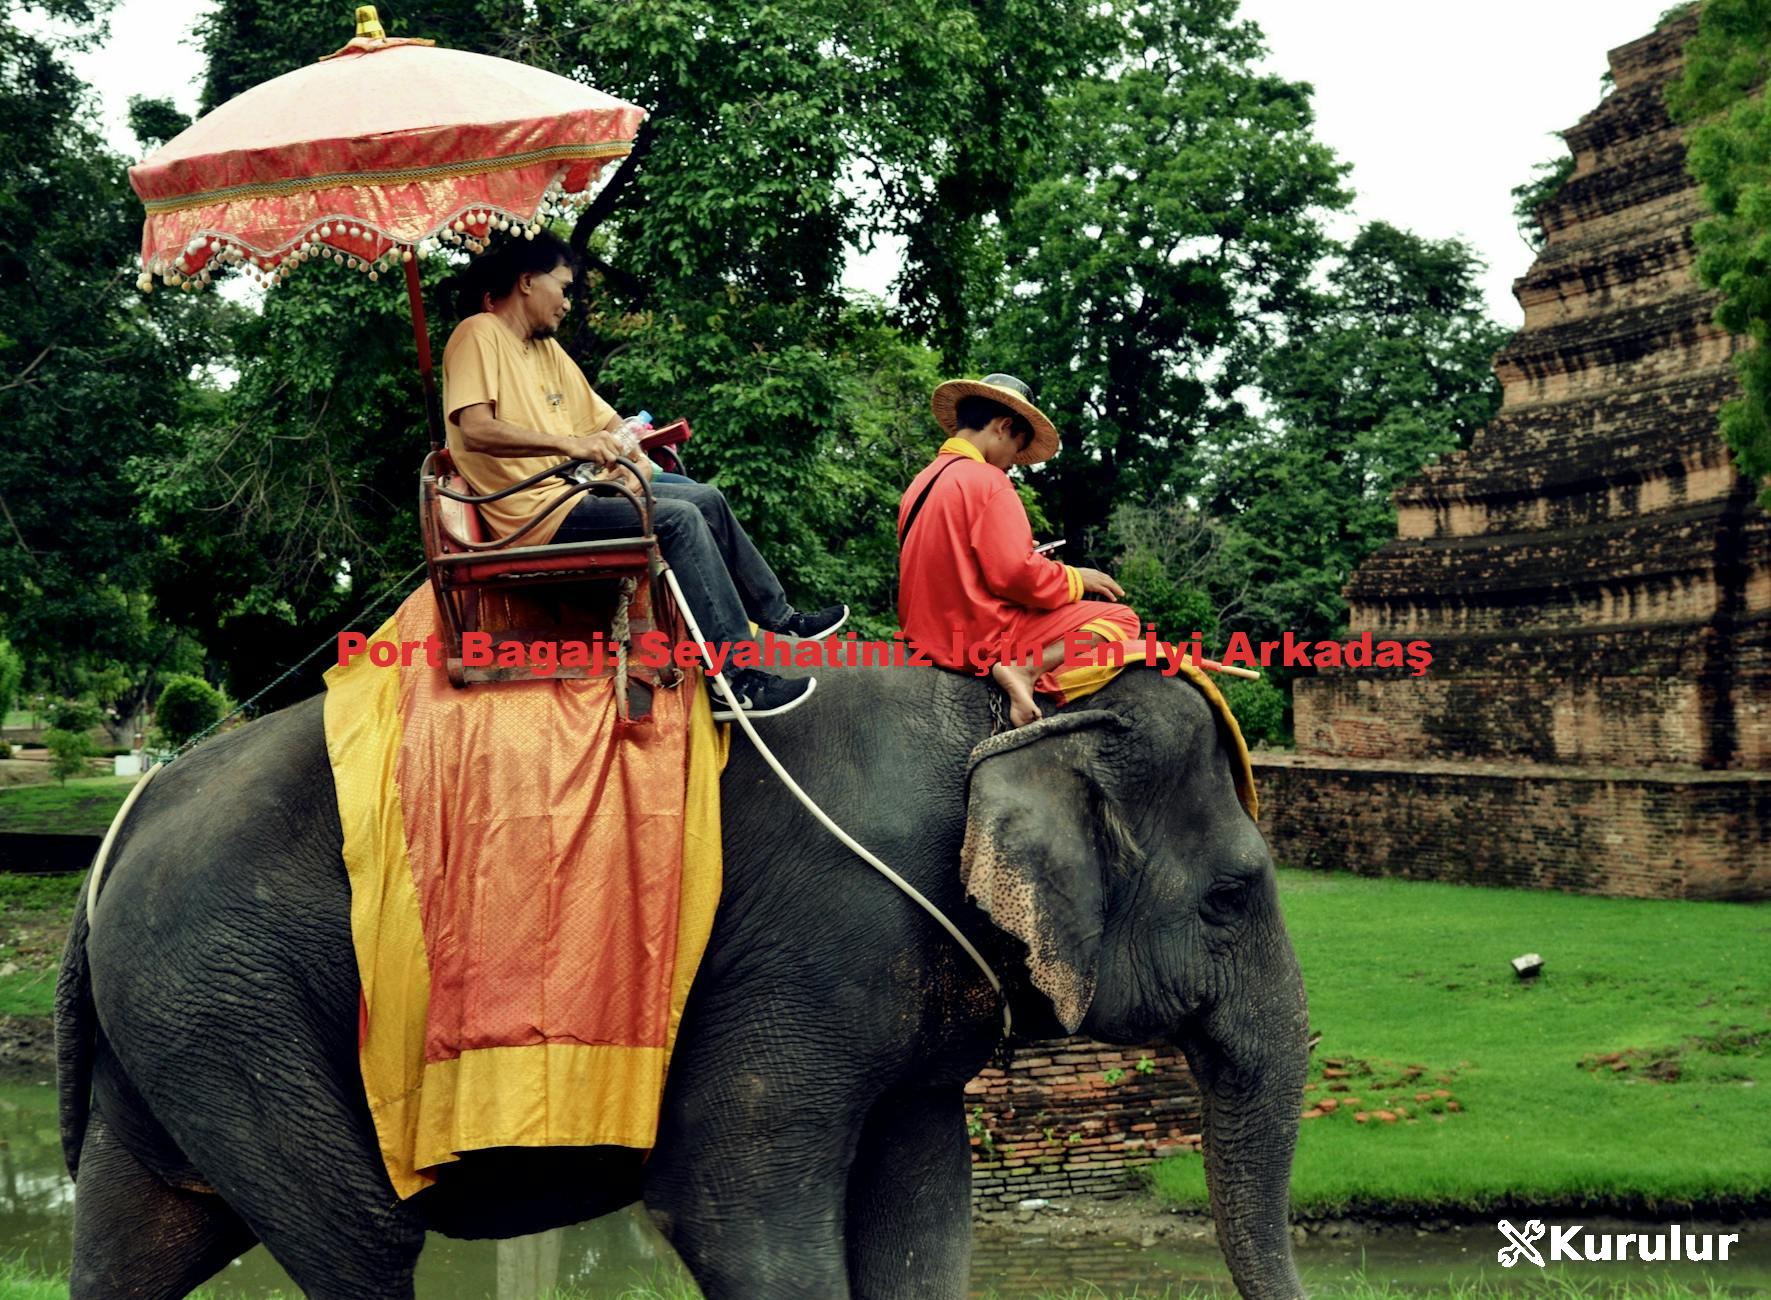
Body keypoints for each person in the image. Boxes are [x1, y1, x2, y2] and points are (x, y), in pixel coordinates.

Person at [440, 233, 846, 719]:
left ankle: (780, 615)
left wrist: (639, 468)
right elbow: (476, 427)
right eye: (563, 288)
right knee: (678, 520)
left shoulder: (546, 351)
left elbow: (608, 424)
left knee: (707, 498)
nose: (568, 303)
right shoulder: (478, 333)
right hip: (537, 511)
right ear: (526, 282)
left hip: (580, 487)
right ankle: (732, 680)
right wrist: (572, 445)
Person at [897, 373, 1141, 727]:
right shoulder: (988, 480)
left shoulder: (921, 482)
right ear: (1003, 426)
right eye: (1017, 446)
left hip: (925, 635)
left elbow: (950, 562)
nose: (1014, 461)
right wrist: (1075, 577)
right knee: (1121, 618)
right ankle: (1024, 670)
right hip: (976, 637)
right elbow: (1014, 576)